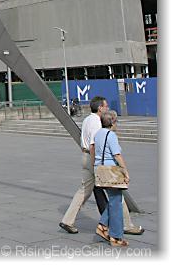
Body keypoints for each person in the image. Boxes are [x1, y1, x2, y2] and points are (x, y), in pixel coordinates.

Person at [59, 96, 142, 236]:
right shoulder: (97, 122)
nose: (107, 108)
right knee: (116, 191)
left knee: (83, 191)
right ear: (100, 108)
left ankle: (67, 220)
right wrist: (96, 164)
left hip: (84, 156)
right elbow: (93, 145)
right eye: (106, 106)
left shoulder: (87, 119)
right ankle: (126, 225)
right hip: (94, 160)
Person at [94, 110, 129, 247]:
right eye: (116, 121)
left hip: (100, 169)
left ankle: (103, 225)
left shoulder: (98, 134)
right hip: (111, 171)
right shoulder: (111, 135)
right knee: (116, 203)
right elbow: (117, 155)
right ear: (112, 122)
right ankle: (115, 236)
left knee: (114, 200)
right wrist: (125, 171)